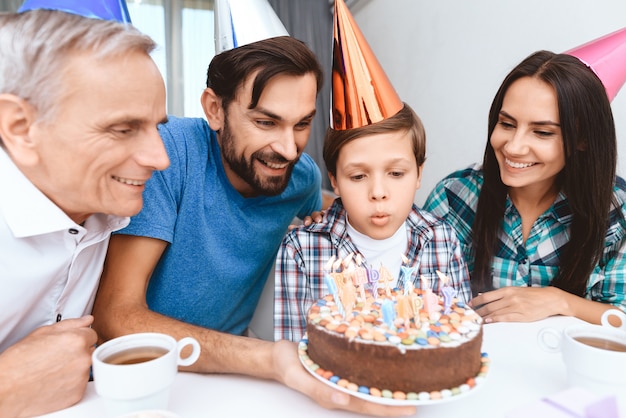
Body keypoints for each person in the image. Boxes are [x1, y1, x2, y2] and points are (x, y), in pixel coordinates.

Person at [91, 2, 415, 413]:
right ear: (214, 109)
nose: (287, 148)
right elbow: (116, 315)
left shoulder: (301, 178)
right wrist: (268, 358)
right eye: (265, 122)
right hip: (139, 383)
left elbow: (338, 203)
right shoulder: (167, 154)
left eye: (302, 124)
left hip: (229, 386)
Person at [0, 5, 169, 417]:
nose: (159, 158)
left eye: (157, 127)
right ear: (21, 128)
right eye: (123, 129)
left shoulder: (99, 204)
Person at [423, 50, 626, 325]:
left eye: (542, 132)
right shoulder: (455, 196)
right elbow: (421, 299)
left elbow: (621, 319)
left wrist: (560, 300)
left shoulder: (617, 211)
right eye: (506, 124)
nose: (514, 147)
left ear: (583, 139)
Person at [275, 100, 472, 341]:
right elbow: (294, 353)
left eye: (396, 173)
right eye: (358, 176)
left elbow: (461, 334)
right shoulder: (301, 250)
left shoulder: (442, 240)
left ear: (419, 173)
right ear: (335, 180)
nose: (378, 192)